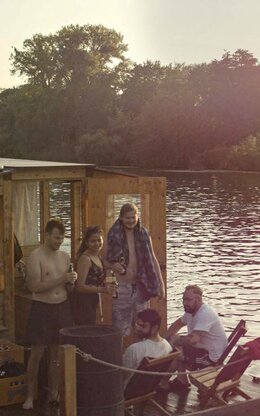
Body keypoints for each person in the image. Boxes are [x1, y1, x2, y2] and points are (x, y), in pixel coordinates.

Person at [23, 218, 77, 410]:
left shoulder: (64, 257)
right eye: (55, 238)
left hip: (61, 306)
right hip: (42, 308)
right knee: (37, 353)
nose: (59, 241)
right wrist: (61, 278)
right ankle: (30, 396)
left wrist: (71, 281)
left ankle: (55, 392)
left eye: (61, 238)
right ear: (46, 235)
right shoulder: (35, 257)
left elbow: (68, 287)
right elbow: (34, 287)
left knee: (56, 353)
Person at [106, 203, 165, 337]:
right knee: (120, 330)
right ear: (121, 218)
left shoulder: (144, 233)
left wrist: (161, 284)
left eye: (134, 217)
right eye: (127, 218)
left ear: (137, 217)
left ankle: (144, 357)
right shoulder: (113, 235)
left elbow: (153, 258)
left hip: (141, 285)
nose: (131, 221)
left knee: (144, 327)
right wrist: (112, 266)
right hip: (122, 287)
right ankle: (120, 357)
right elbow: (104, 261)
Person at [160, 284, 228, 391]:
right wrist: (163, 340)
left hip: (212, 359)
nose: (185, 303)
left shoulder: (205, 314)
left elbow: (193, 339)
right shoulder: (190, 311)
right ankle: (180, 381)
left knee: (176, 352)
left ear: (198, 299)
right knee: (176, 347)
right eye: (183, 299)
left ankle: (163, 383)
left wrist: (174, 341)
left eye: (188, 300)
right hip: (203, 350)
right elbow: (177, 325)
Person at [71, 226, 114, 325]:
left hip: (92, 300)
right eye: (92, 241)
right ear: (86, 243)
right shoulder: (85, 259)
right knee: (85, 332)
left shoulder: (97, 256)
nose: (97, 243)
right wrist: (102, 289)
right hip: (81, 302)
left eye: (99, 240)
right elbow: (79, 287)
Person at [123, 308, 172, 388]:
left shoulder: (135, 349)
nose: (138, 328)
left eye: (143, 326)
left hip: (129, 393)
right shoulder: (167, 346)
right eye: (137, 324)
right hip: (151, 389)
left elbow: (123, 375)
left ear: (155, 328)